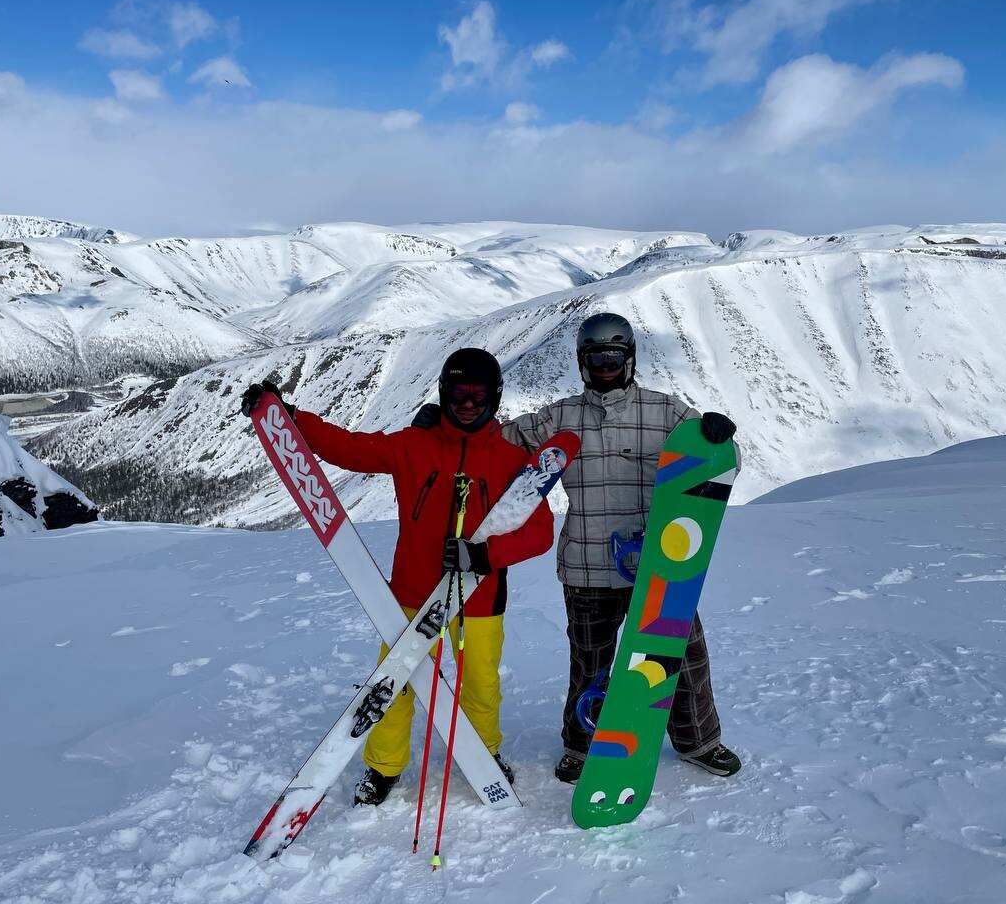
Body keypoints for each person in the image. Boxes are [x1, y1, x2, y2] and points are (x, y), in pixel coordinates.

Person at [413, 313, 741, 784]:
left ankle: (699, 742)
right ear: (582, 363)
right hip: (587, 564)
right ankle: (581, 747)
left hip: (660, 568)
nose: (605, 368)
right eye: (596, 359)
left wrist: (718, 436)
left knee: (683, 656)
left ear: (629, 359)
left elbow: (721, 462)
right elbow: (488, 441)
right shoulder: (558, 418)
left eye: (613, 359)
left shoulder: (668, 413)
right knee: (590, 662)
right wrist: (439, 427)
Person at [242, 347, 553, 806]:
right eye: (459, 394)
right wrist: (289, 419)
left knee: (481, 684)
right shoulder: (413, 446)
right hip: (410, 593)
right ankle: (384, 766)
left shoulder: (510, 460)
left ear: (495, 397)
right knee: (396, 682)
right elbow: (348, 448)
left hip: (480, 597)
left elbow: (541, 531)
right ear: (443, 395)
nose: (468, 404)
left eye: (478, 395)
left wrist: (485, 555)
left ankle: (483, 756)